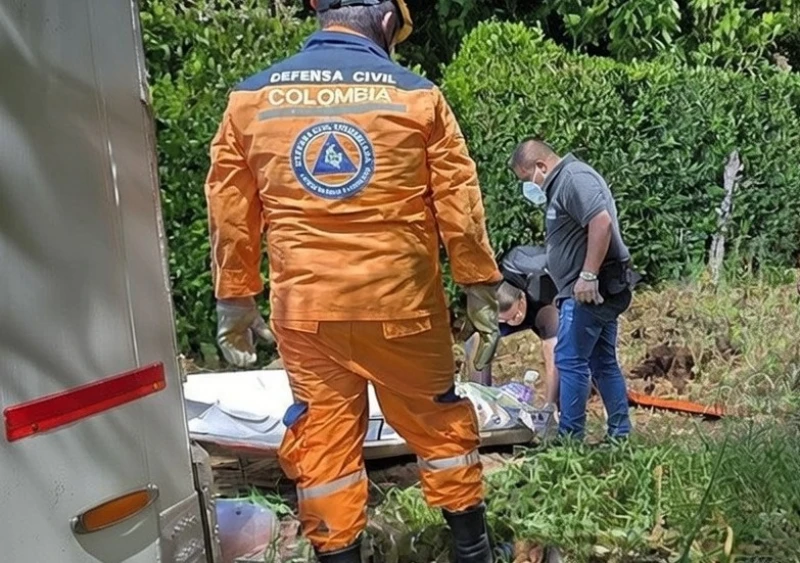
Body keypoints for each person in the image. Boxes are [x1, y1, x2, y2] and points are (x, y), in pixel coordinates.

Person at [203, 1, 502, 561]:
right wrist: (480, 284)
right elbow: (459, 203)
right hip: (403, 307)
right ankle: (473, 550)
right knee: (439, 429)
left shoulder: (250, 99)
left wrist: (235, 298)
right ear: (388, 20)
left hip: (307, 313)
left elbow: (229, 209)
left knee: (323, 445)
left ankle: (339, 554)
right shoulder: (417, 95)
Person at [508, 138, 635, 441]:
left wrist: (588, 275)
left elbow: (601, 222)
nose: (530, 186)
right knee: (601, 360)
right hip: (588, 288)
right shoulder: (563, 184)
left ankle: (570, 438)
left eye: (528, 179)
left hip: (591, 288)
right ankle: (619, 434)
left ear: (541, 166)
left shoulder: (573, 178)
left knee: (569, 359)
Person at [464, 245, 560, 408]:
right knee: (477, 342)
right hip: (501, 300)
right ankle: (481, 401)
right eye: (507, 320)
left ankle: (556, 407)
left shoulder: (543, 305)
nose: (515, 320)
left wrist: (549, 406)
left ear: (521, 300)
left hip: (542, 302)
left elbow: (553, 357)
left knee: (558, 354)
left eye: (516, 315)